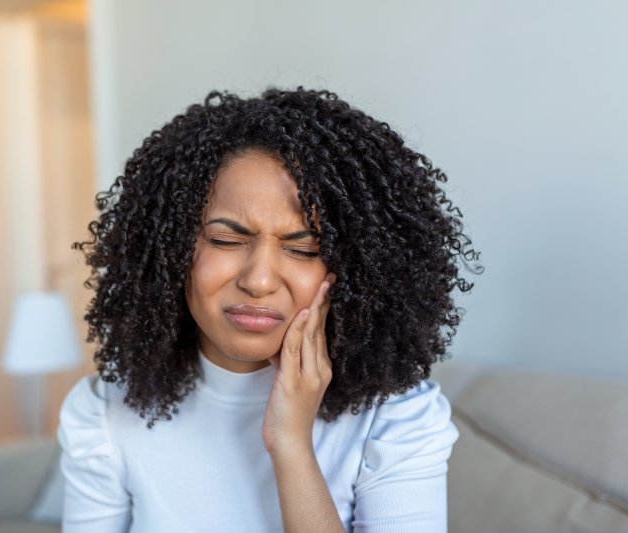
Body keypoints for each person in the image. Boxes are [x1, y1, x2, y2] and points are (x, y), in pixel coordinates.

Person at [58, 87, 482, 533]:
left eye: (303, 249)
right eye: (226, 241)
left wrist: (291, 445)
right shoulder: (103, 413)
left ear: (358, 269)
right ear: (171, 250)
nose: (258, 280)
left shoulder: (397, 418)